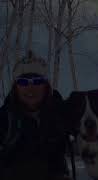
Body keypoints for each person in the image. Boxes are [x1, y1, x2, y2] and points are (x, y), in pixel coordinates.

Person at [0, 51, 71, 180]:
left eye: (38, 81)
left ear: (46, 86)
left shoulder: (62, 113)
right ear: (15, 87)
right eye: (23, 82)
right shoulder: (5, 118)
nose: (30, 88)